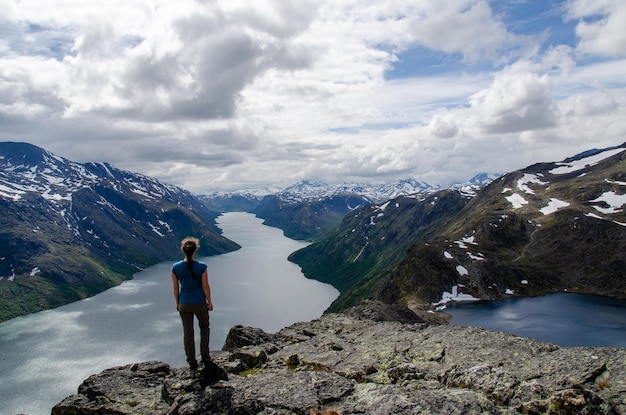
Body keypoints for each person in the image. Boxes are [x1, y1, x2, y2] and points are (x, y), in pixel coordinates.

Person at [171, 236, 213, 371]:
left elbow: (176, 288)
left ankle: (191, 361)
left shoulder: (175, 268)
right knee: (204, 327)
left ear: (183, 250)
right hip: (199, 302)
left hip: (184, 303)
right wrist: (209, 301)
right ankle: (205, 356)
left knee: (188, 333)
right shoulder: (202, 267)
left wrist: (178, 303)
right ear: (195, 250)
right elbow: (205, 286)